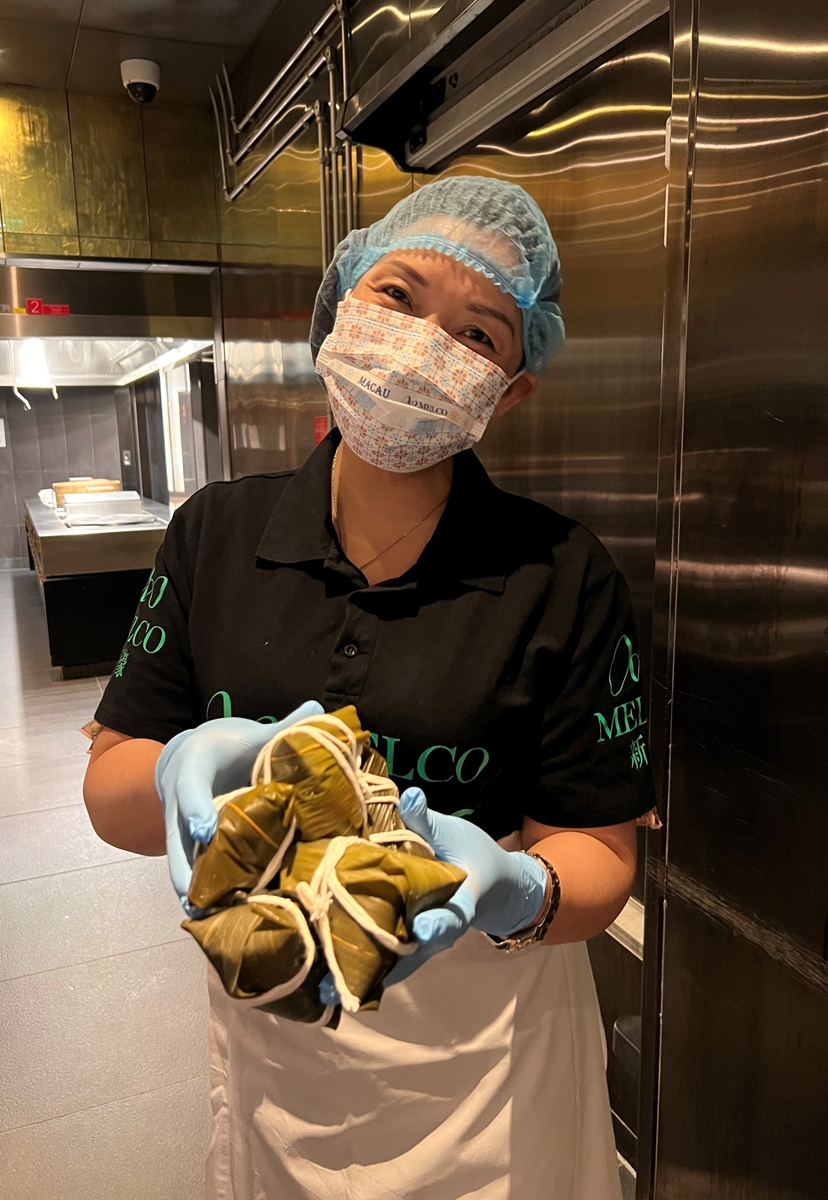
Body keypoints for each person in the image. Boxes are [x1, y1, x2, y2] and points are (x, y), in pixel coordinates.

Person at [84, 174, 655, 1200]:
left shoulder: (564, 574)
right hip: (278, 1045)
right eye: (399, 296)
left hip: (493, 1068)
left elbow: (606, 853)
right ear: (339, 302)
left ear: (512, 389)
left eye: (479, 334)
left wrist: (518, 889)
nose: (428, 342)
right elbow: (111, 785)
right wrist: (176, 768)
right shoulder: (216, 533)